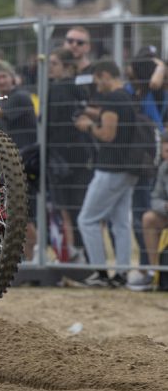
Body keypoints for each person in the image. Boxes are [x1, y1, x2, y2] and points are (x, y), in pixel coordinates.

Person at [74, 59, 138, 287]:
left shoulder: (112, 99)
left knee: (87, 220)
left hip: (110, 169)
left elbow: (108, 134)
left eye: (96, 79)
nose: (96, 85)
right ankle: (121, 274)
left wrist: (87, 125)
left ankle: (100, 273)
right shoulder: (126, 97)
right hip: (127, 168)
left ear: (104, 75)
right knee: (120, 223)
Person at [124, 45, 168, 286]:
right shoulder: (131, 90)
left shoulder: (158, 91)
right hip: (137, 158)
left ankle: (148, 266)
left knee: (145, 208)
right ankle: (145, 265)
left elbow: (155, 83)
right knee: (141, 212)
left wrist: (161, 67)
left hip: (156, 157)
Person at [0, 59, 38, 259]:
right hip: (12, 163)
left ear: (13, 77)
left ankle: (32, 260)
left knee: (26, 215)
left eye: (3, 76)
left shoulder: (20, 97)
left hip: (27, 162)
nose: (1, 81)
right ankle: (26, 260)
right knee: (18, 214)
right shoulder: (4, 99)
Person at [46, 47, 91, 261]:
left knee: (72, 207)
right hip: (70, 155)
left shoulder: (64, 88)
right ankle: (75, 250)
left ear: (66, 66)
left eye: (54, 63)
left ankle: (78, 251)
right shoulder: (69, 87)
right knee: (70, 207)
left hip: (68, 156)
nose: (49, 68)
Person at [127, 131, 168, 291]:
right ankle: (154, 272)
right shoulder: (164, 168)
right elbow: (155, 198)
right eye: (165, 152)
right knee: (148, 218)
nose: (166, 156)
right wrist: (164, 206)